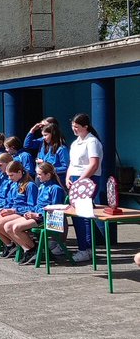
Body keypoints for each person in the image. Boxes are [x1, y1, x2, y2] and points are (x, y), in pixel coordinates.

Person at [0, 161, 64, 266]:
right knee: (7, 226)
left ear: (48, 175)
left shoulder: (55, 189)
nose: (37, 177)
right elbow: (36, 205)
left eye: (39, 174)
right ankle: (29, 250)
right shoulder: (42, 186)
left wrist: (38, 215)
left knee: (16, 228)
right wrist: (31, 212)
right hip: (37, 216)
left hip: (47, 219)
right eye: (37, 174)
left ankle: (34, 250)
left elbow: (55, 209)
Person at [66, 113, 103, 263]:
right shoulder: (75, 143)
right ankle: (83, 246)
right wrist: (69, 177)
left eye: (77, 127)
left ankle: (86, 248)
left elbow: (93, 164)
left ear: (85, 127)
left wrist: (81, 180)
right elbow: (72, 163)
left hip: (87, 179)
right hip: (75, 179)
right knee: (77, 214)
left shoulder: (92, 142)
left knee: (84, 214)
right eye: (73, 127)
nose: (74, 130)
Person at [0, 162, 39, 258]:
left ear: (19, 172)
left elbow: (32, 207)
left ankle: (29, 248)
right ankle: (10, 245)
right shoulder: (14, 185)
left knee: (0, 223)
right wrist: (5, 208)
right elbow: (9, 201)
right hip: (14, 211)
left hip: (22, 213)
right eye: (8, 175)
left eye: (11, 175)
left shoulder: (30, 185)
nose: (9, 178)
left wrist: (14, 210)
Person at [23, 118, 69, 187]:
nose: (42, 128)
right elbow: (27, 145)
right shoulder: (43, 141)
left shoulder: (61, 148)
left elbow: (65, 167)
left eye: (44, 126)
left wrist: (46, 165)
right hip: (40, 175)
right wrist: (32, 130)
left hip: (54, 179)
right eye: (41, 127)